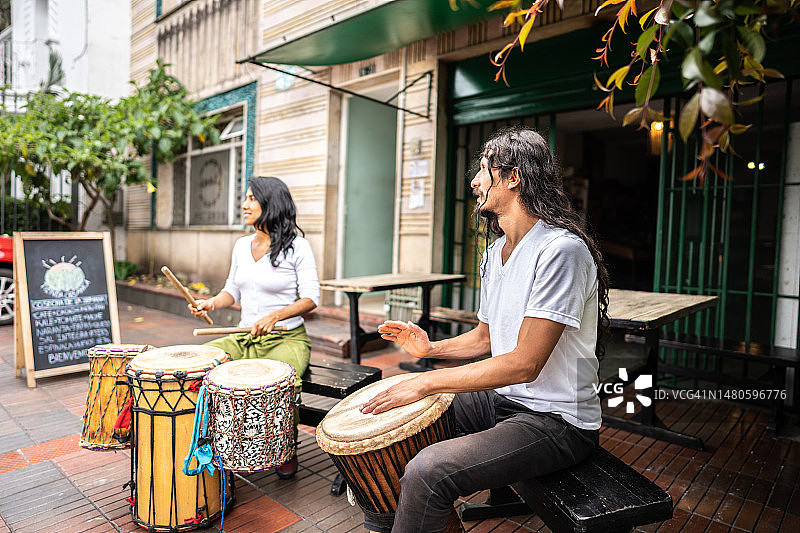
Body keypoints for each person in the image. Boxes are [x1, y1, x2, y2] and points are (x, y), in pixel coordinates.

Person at [360, 128, 610, 532]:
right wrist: (430, 351)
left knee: (428, 471)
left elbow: (525, 364)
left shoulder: (560, 251)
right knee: (394, 427)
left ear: (513, 177)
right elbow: (485, 338)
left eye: (483, 170)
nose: (474, 182)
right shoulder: (495, 252)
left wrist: (429, 382)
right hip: (504, 401)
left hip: (556, 420)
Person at [190, 176, 319, 480]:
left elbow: (312, 298)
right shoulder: (240, 245)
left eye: (251, 198)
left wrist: (276, 316)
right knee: (201, 361)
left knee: (284, 382)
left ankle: (286, 448)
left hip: (286, 338)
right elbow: (231, 292)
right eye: (245, 198)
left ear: (270, 203)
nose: (244, 205)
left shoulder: (298, 247)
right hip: (245, 336)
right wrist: (209, 303)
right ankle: (214, 442)